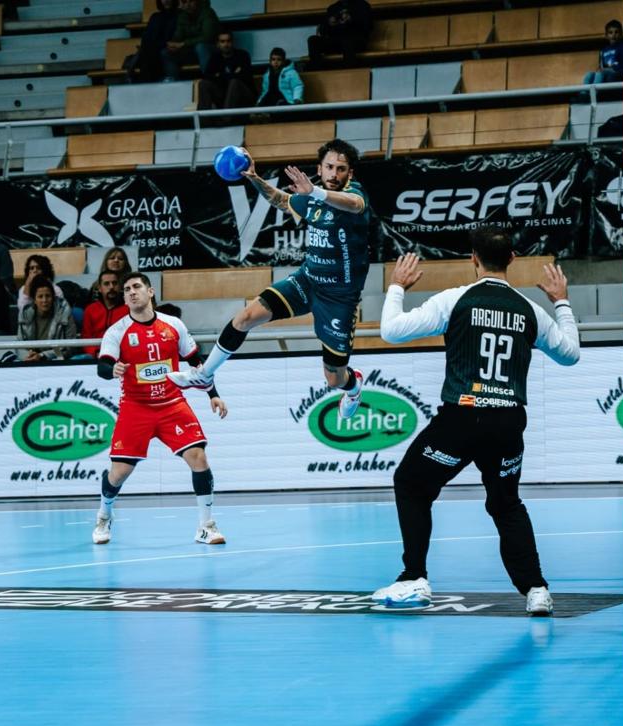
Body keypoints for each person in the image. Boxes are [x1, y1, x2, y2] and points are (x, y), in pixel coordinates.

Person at [371, 230, 581, 615]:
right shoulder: (530, 310)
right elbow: (571, 355)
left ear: (473, 258)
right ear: (513, 259)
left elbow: (391, 330)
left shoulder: (456, 300)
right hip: (507, 424)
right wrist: (561, 302)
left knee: (411, 483)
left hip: (461, 421)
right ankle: (536, 590)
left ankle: (413, 577)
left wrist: (397, 287)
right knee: (505, 504)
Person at [168, 139, 372, 421]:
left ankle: (353, 387)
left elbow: (354, 205)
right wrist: (254, 178)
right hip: (307, 280)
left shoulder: (352, 194)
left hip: (339, 298)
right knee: (245, 317)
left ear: (349, 174)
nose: (334, 174)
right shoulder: (310, 199)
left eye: (341, 169)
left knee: (335, 380)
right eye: (329, 167)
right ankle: (204, 374)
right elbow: (281, 200)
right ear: (320, 168)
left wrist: (316, 191)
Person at [93, 272, 228, 546]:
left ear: (150, 291)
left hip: (172, 404)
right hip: (136, 407)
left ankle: (206, 525)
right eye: (127, 289)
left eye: (136, 287)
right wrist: (113, 369)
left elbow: (196, 362)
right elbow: (102, 366)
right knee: (119, 473)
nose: (131, 292)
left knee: (198, 457)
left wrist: (213, 394)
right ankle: (104, 514)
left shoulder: (173, 325)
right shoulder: (117, 332)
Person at [17, 274, 76, 360]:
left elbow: (70, 347)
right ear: (34, 300)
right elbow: (19, 345)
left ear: (53, 298)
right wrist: (28, 356)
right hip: (30, 360)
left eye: (48, 296)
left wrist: (42, 356)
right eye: (40, 297)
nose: (44, 300)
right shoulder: (25, 314)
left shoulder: (64, 312)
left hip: (56, 361)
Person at [197, 28, 255, 111]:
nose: (226, 44)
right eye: (222, 41)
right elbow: (207, 76)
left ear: (232, 42)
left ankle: (225, 119)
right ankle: (203, 121)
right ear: (218, 44)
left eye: (228, 41)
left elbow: (245, 77)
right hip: (223, 94)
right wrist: (233, 74)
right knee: (203, 84)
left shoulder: (243, 55)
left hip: (244, 95)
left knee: (234, 83)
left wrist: (219, 75)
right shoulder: (215, 58)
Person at [161, 0, 218, 82]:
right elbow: (178, 35)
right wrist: (173, 44)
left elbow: (208, 37)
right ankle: (173, 83)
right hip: (191, 51)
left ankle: (209, 80)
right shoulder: (182, 16)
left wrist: (184, 43)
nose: (188, 5)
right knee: (166, 52)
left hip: (211, 50)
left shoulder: (207, 12)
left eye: (190, 1)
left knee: (201, 47)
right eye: (184, 2)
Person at [307, 0, 372, 69]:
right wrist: (329, 23)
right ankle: (317, 71)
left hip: (355, 41)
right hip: (336, 42)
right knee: (313, 40)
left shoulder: (363, 5)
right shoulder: (333, 8)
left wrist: (351, 19)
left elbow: (368, 26)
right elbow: (323, 31)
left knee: (347, 40)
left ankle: (350, 72)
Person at [81, 270, 128, 356]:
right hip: (95, 355)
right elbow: (86, 338)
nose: (111, 287)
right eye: (106, 284)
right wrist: (95, 353)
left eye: (114, 283)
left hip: (122, 354)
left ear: (120, 286)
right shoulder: (90, 310)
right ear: (99, 288)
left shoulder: (129, 309)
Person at [128, 0, 178, 82]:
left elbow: (172, 37)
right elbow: (147, 38)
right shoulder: (155, 17)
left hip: (167, 48)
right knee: (148, 52)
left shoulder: (179, 15)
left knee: (152, 53)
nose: (166, 1)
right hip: (154, 49)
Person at [583, 20, 623, 85]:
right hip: (605, 72)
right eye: (610, 33)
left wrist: (611, 69)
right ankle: (584, 94)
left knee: (600, 74)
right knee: (589, 75)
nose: (613, 35)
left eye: (616, 32)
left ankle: (595, 93)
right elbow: (601, 65)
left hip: (616, 72)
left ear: (621, 35)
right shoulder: (603, 50)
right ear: (606, 35)